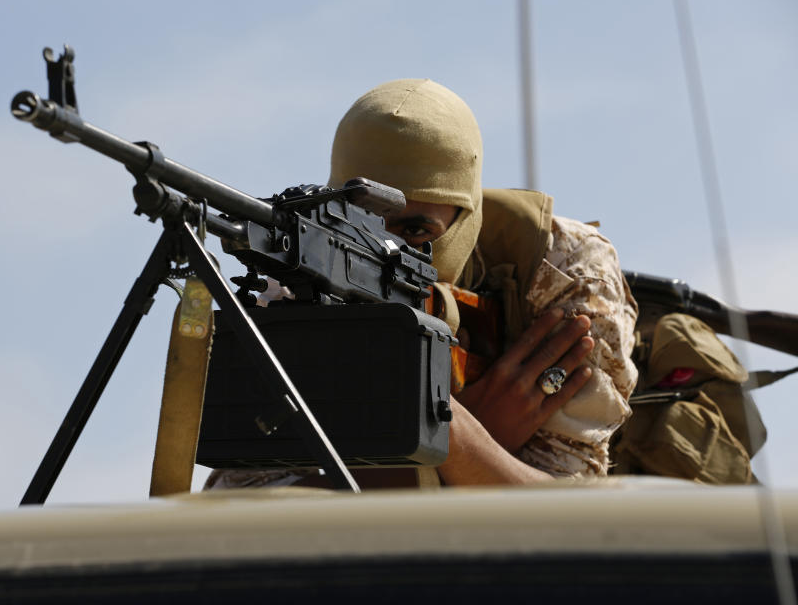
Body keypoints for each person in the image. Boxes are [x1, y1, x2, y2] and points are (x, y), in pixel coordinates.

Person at [208, 78, 637, 488]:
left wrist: (449, 440)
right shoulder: (298, 291)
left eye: (416, 231)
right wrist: (460, 436)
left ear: (466, 218)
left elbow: (568, 513)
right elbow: (242, 509)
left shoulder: (562, 268)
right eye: (366, 225)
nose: (386, 248)